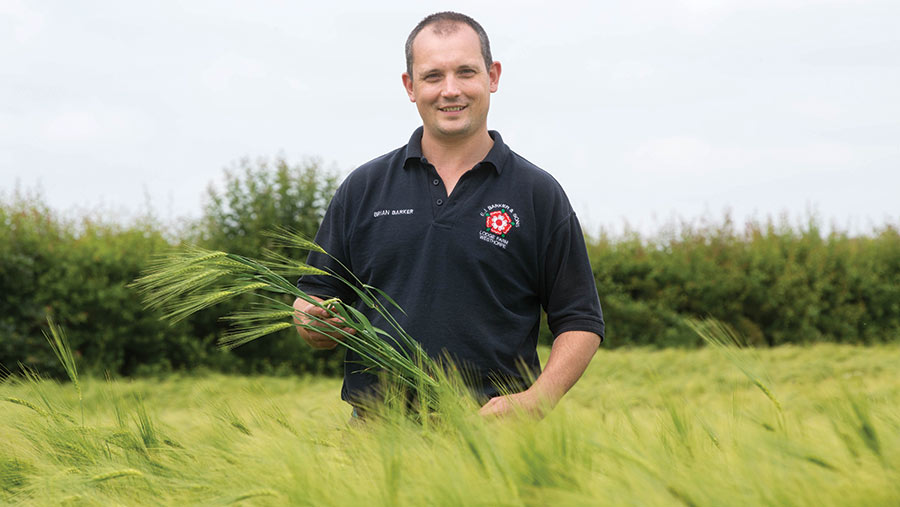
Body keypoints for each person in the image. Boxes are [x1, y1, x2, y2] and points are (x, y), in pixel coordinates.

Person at [294, 11, 604, 418]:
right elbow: (313, 296)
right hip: (374, 442)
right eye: (433, 76)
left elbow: (580, 319)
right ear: (410, 86)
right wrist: (313, 322)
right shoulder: (363, 188)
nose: (451, 90)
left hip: (492, 437)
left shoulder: (537, 194)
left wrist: (536, 400)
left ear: (492, 77)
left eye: (466, 72)